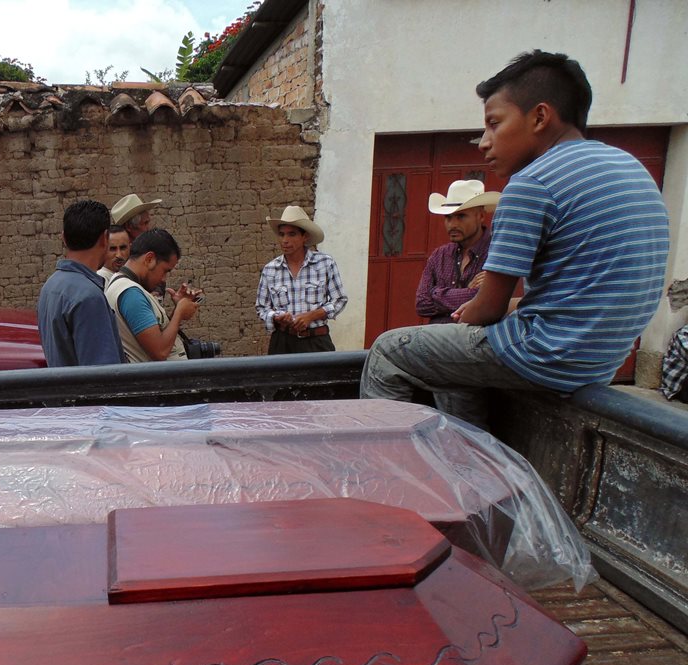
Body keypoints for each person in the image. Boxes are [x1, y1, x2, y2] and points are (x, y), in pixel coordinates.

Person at [361, 50, 670, 428]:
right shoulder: (630, 167)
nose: (483, 142)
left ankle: (380, 468)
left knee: (388, 350)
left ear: (540, 117)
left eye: (494, 124)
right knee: (451, 363)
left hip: (544, 355)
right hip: (601, 362)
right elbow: (583, 289)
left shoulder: (532, 183)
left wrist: (466, 313)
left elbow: (488, 307)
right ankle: (472, 462)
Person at [36, 199, 124, 367]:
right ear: (105, 238)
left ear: (63, 238)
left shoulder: (51, 285)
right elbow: (103, 375)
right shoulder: (88, 296)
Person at [256, 205, 348, 354]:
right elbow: (262, 308)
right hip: (282, 342)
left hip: (317, 340)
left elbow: (339, 300)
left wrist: (311, 316)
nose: (285, 240)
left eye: (291, 234)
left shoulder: (325, 263)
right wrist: (277, 317)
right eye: (281, 234)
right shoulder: (270, 270)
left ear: (304, 237)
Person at [104, 228, 201, 362]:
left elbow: (156, 336)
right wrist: (179, 313)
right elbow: (160, 352)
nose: (163, 279)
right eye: (165, 271)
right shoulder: (131, 294)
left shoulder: (127, 287)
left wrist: (177, 311)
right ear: (149, 259)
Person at [416, 179, 500, 324]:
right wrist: (469, 293)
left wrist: (436, 294)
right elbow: (421, 303)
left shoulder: (497, 251)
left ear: (480, 216)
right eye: (448, 217)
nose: (453, 224)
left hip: (476, 339)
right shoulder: (440, 255)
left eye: (461, 216)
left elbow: (495, 299)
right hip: (436, 339)